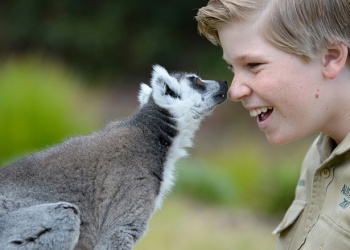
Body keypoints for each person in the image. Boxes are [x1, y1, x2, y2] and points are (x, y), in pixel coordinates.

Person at [195, 0, 350, 249]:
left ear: (330, 58)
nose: (234, 91)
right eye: (232, 67)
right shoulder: (319, 156)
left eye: (253, 65)